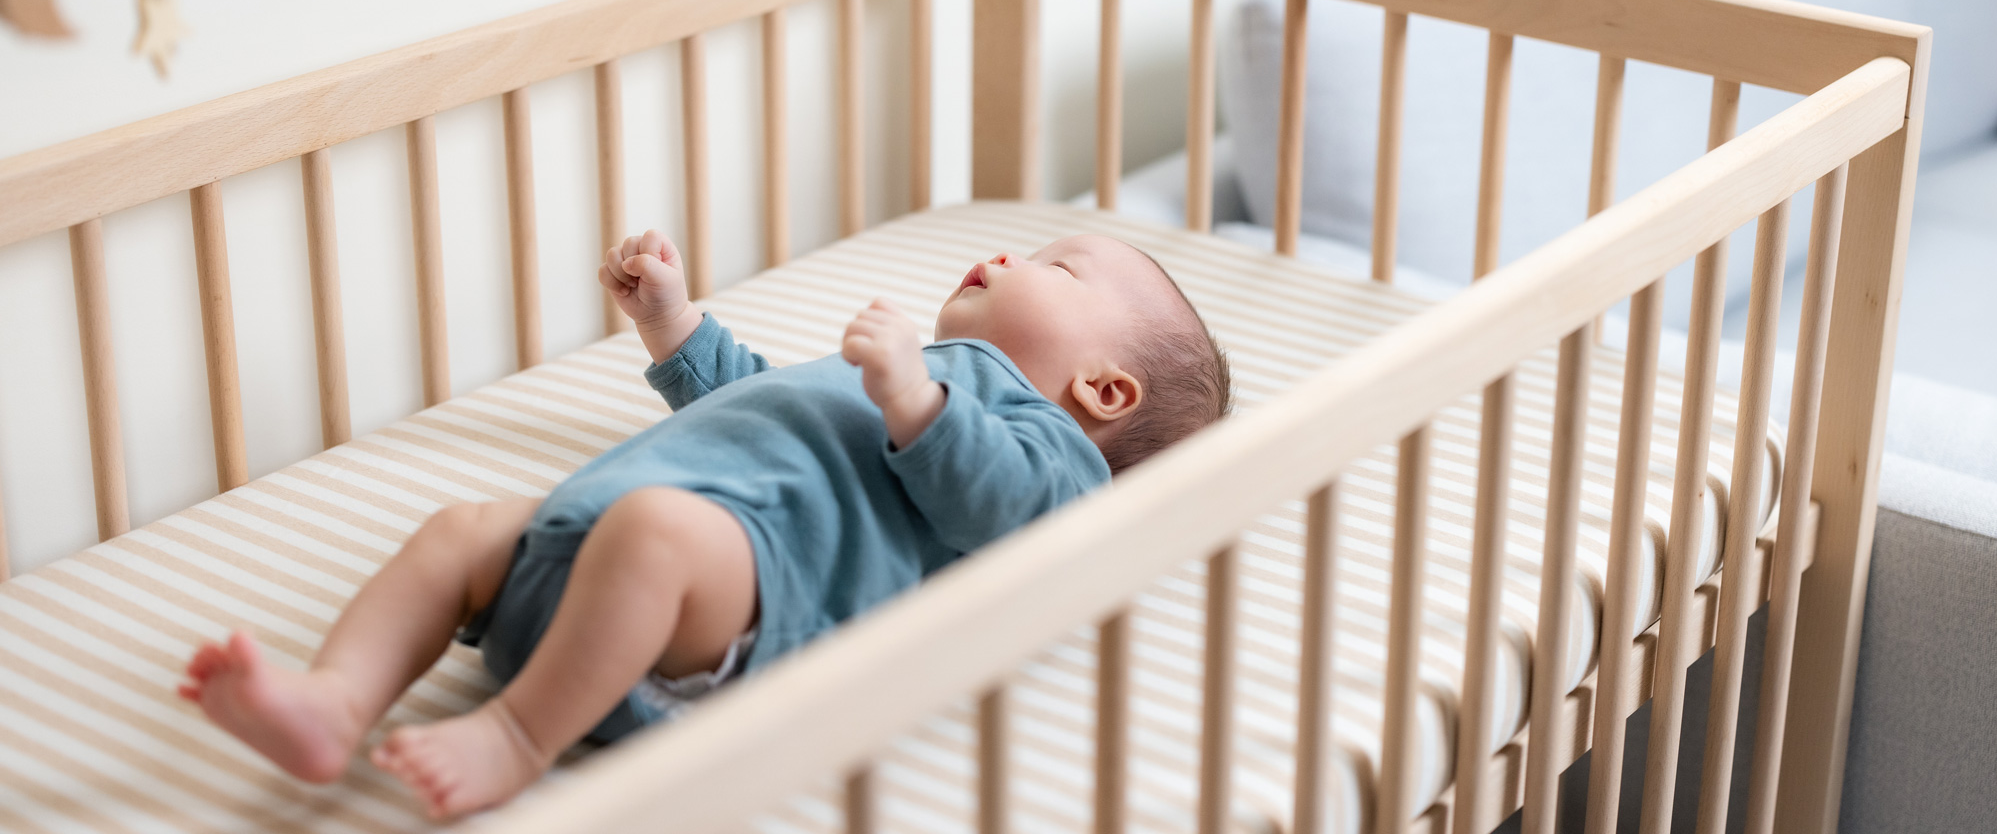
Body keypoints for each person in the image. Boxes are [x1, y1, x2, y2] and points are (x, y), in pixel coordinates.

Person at [177, 227, 1231, 819]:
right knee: (458, 529)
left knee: (653, 536)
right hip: (587, 549)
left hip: (732, 596)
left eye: (1055, 267)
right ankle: (334, 698)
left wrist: (918, 399)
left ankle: (516, 733)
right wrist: (673, 324)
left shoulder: (1042, 453)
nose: (1006, 255)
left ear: (1103, 392)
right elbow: (752, 399)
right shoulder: (898, 380)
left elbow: (1004, 508)